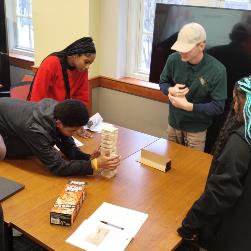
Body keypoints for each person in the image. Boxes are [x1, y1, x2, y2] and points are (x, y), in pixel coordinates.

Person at [177, 76, 251, 250]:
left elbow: (222, 190)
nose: (234, 107)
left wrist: (190, 223)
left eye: (236, 102)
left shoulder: (241, 141)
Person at [0, 98, 120, 176]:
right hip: (6, 126)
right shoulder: (36, 130)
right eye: (73, 130)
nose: (75, 134)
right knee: (18, 151)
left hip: (10, 116)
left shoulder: (59, 112)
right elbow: (57, 167)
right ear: (59, 123)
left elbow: (66, 143)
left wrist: (88, 158)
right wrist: (94, 165)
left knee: (40, 148)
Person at [159, 22, 227, 152]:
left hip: (197, 131)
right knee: (169, 161)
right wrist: (170, 89)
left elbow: (218, 107)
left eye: (186, 48)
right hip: (173, 124)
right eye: (180, 47)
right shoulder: (173, 59)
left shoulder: (218, 70)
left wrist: (189, 107)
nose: (181, 52)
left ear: (201, 46)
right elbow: (163, 82)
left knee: (192, 168)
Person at [27, 37, 96, 138]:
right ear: (76, 55)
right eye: (86, 62)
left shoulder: (81, 70)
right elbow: (37, 98)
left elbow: (82, 99)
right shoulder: (51, 63)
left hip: (64, 120)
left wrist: (79, 124)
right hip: (44, 116)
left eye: (90, 63)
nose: (87, 67)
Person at [205, 22, 251, 153]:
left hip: (205, 107)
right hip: (230, 112)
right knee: (218, 148)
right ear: (248, 40)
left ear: (231, 36)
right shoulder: (248, 60)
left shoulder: (212, 52)